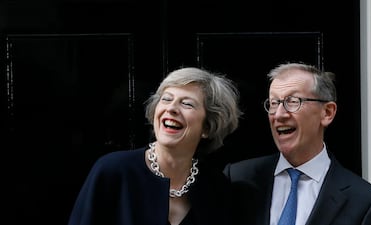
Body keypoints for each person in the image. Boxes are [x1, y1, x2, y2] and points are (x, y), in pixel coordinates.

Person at [68, 67, 242, 225]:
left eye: (187, 103)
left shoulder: (217, 187)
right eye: (166, 99)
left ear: (207, 127)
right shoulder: (113, 171)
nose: (171, 108)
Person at [223, 62, 371, 225]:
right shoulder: (238, 179)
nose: (279, 115)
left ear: (327, 112)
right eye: (274, 103)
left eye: (293, 101)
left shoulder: (364, 202)